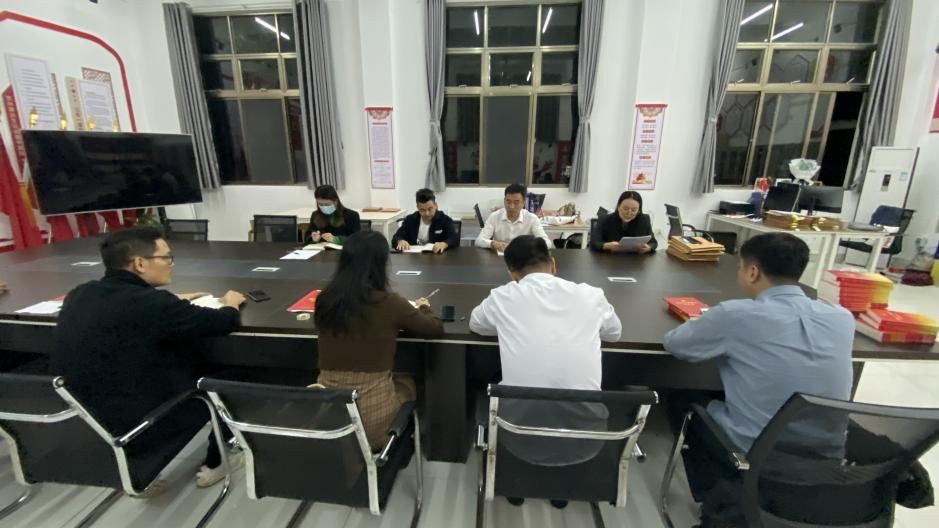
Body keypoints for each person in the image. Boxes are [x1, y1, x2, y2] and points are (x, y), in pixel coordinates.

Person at [663, 233, 854, 526]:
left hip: (757, 450)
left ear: (753, 272)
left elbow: (675, 344)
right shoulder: (842, 318)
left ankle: (720, 499)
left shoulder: (735, 314)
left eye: (740, 267)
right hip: (826, 453)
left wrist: (708, 324)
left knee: (680, 397)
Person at [52, 227, 247, 490]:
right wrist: (231, 302)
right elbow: (223, 322)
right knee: (233, 376)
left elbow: (125, 310)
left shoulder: (80, 293)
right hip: (142, 424)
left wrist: (169, 301)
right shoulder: (154, 305)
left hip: (86, 420)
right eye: (166, 258)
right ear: (140, 263)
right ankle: (218, 461)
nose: (171, 264)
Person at [469, 235, 622, 508]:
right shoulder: (591, 295)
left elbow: (476, 324)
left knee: (494, 380)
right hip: (586, 435)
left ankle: (515, 482)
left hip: (517, 432)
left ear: (512, 273)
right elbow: (614, 333)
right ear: (553, 264)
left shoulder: (503, 296)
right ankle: (561, 488)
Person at [314, 231, 444, 450]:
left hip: (330, 419)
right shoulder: (389, 303)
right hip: (372, 428)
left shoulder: (324, 300)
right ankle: (412, 443)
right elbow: (434, 329)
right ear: (380, 265)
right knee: (410, 381)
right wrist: (424, 308)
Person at [475, 183, 552, 252]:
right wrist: (493, 243)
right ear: (504, 200)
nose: (511, 206)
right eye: (508, 201)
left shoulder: (532, 218)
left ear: (523, 203)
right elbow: (479, 241)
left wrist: (529, 246)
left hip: (523, 258)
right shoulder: (494, 216)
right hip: (500, 257)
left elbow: (547, 243)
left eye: (516, 203)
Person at [392, 188, 460, 253]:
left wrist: (444, 244)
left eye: (430, 209)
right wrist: (400, 241)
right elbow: (396, 237)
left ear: (436, 205)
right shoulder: (410, 219)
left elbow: (454, 238)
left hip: (436, 257)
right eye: (422, 210)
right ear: (417, 207)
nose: (427, 213)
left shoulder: (444, 219)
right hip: (414, 257)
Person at [592, 190, 657, 253]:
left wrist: (649, 247)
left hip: (635, 258)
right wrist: (606, 246)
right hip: (609, 258)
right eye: (625, 209)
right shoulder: (605, 219)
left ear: (638, 211)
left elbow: (653, 242)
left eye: (633, 210)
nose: (629, 213)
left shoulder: (644, 219)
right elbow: (594, 242)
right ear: (618, 207)